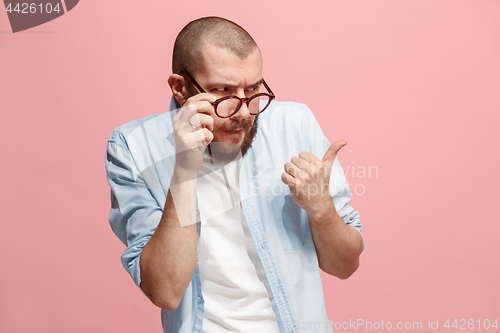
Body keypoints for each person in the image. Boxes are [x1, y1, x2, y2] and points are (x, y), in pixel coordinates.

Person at [105, 16, 363, 333]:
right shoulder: (132, 146)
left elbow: (345, 265)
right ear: (180, 88)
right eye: (223, 91)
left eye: (253, 89)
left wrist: (322, 208)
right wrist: (185, 167)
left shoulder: (296, 125)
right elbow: (165, 291)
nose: (243, 112)